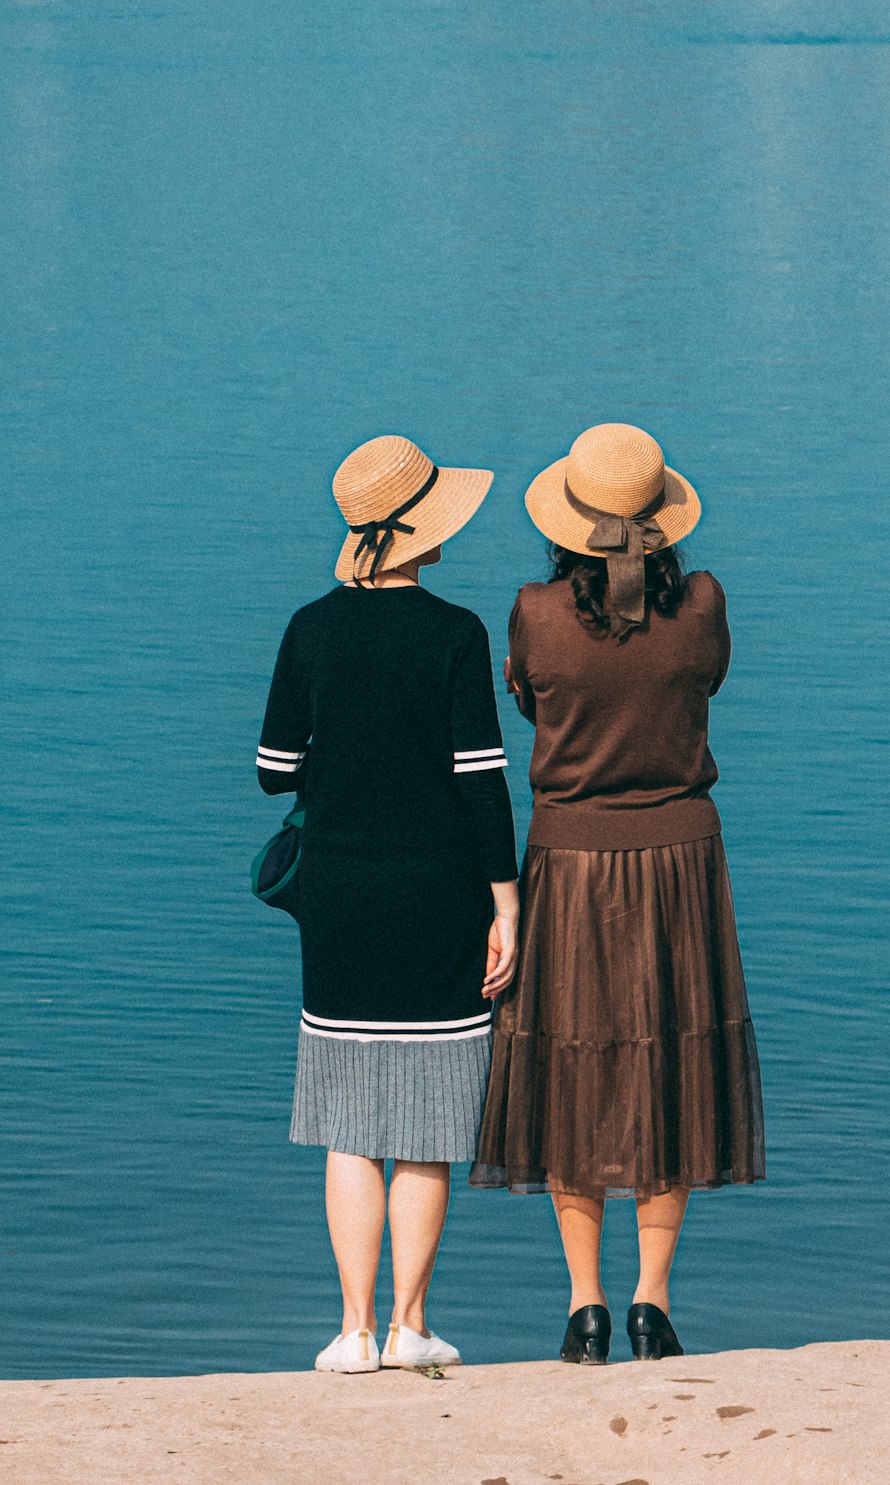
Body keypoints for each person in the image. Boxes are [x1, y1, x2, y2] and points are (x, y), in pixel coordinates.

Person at [471, 422, 765, 1364]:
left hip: (569, 858)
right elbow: (707, 679)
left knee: (572, 1070)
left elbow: (531, 701)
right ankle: (653, 1300)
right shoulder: (706, 603)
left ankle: (584, 1304)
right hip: (681, 857)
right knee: (670, 1066)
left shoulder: (534, 612)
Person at [257, 435, 519, 1373]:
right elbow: (483, 783)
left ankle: (353, 1330)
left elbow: (271, 770)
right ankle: (414, 1326)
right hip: (440, 896)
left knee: (349, 1120)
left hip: (338, 904)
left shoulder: (308, 626)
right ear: (421, 532)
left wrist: (345, 754)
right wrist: (508, 905)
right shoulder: (457, 633)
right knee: (429, 1120)